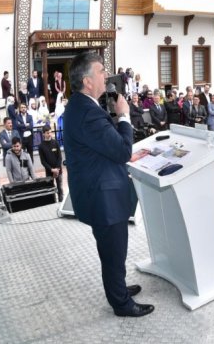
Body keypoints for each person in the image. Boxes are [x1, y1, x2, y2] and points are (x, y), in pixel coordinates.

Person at [63, 52, 153, 318]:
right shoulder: (88, 112)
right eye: (102, 71)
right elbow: (122, 149)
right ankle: (121, 304)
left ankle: (118, 288)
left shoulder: (81, 106)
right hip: (103, 199)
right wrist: (123, 116)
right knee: (113, 251)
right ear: (88, 81)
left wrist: (121, 151)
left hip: (97, 192)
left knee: (112, 250)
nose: (107, 75)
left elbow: (103, 147)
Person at [38, 125, 64, 202]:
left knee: (60, 188)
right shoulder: (41, 146)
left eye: (50, 132)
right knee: (50, 189)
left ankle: (60, 202)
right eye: (47, 133)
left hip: (58, 171)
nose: (49, 134)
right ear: (43, 134)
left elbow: (59, 157)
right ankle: (52, 203)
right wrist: (51, 170)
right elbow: (43, 161)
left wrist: (57, 169)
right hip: (49, 172)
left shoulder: (55, 143)